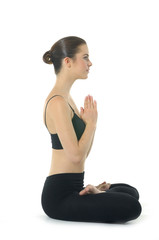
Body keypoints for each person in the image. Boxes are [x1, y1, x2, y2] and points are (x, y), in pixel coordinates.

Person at [41, 36, 142, 223]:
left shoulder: (67, 99)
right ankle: (94, 194)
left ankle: (93, 191)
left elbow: (83, 152)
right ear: (67, 62)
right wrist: (92, 124)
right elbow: (76, 157)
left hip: (75, 187)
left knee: (130, 192)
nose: (90, 63)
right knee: (132, 206)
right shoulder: (57, 103)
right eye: (85, 57)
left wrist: (90, 126)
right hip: (59, 197)